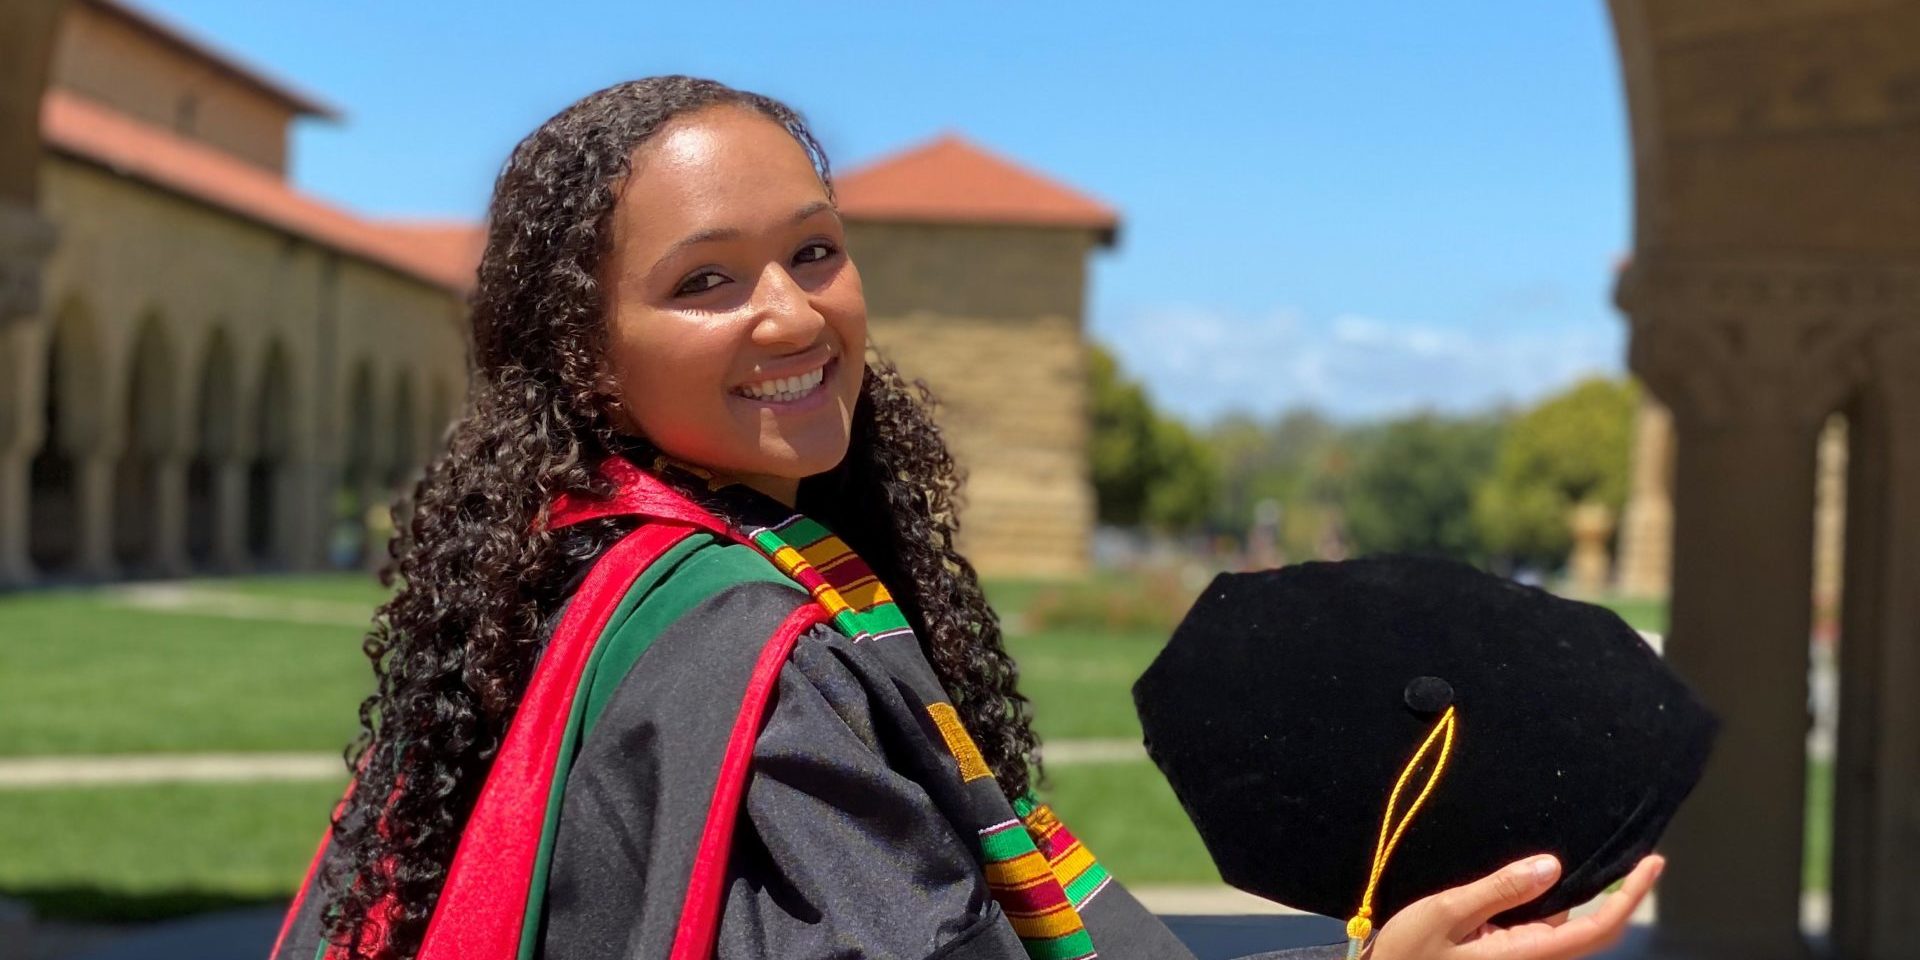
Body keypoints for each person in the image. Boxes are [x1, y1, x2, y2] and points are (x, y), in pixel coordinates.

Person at [271, 76, 1660, 960]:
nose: (793, 310)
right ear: (582, 349)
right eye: (705, 281)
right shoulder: (759, 656)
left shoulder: (564, 578)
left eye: (814, 250)